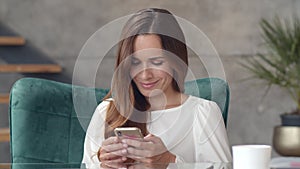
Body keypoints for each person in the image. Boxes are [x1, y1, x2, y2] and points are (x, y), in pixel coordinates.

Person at [82, 8, 232, 168]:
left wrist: (169, 162)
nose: (145, 75)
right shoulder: (107, 112)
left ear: (176, 60)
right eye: (135, 62)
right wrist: (103, 165)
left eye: (156, 62)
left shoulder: (202, 112)